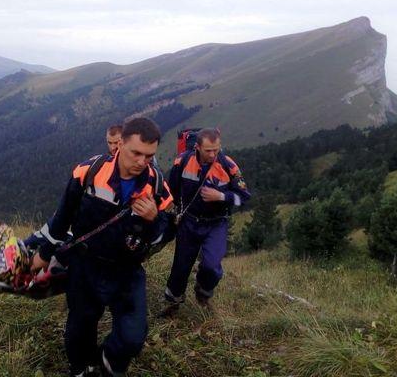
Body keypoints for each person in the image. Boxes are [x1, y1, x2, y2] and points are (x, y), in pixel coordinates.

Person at [29, 117, 173, 377]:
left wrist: (152, 220)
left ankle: (107, 361)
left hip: (127, 272)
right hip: (86, 266)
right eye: (136, 153)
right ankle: (80, 368)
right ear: (120, 146)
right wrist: (42, 254)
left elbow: (162, 237)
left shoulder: (157, 185)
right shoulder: (88, 172)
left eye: (149, 156)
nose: (142, 162)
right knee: (80, 327)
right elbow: (63, 217)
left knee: (132, 337)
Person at [164, 128, 250, 310]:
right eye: (208, 150)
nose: (213, 155)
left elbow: (243, 196)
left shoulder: (228, 165)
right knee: (181, 265)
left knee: (212, 265)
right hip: (189, 222)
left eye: (216, 150)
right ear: (197, 147)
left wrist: (221, 197)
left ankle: (203, 293)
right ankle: (173, 302)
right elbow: (171, 189)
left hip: (216, 224)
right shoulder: (183, 161)